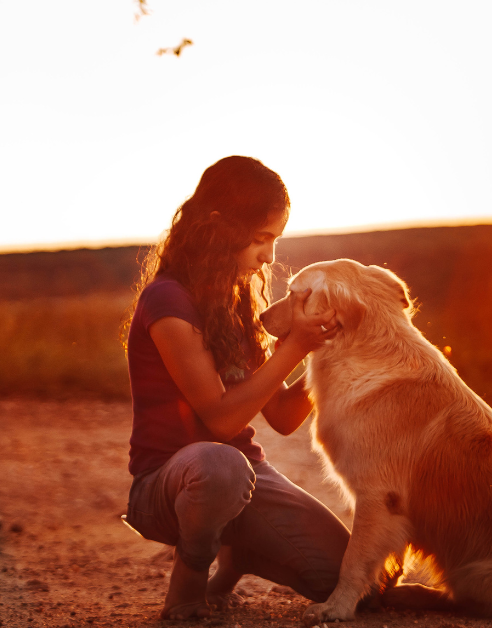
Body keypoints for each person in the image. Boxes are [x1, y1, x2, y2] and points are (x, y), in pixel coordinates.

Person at [121, 155, 349, 620]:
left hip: (242, 481)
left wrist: (330, 346)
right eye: (261, 239)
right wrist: (296, 347)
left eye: (275, 241)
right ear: (218, 227)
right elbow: (222, 417)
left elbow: (283, 416)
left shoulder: (235, 302)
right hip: (170, 484)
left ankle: (238, 552)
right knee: (220, 463)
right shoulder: (168, 300)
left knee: (343, 578)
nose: (268, 256)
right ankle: (186, 589)